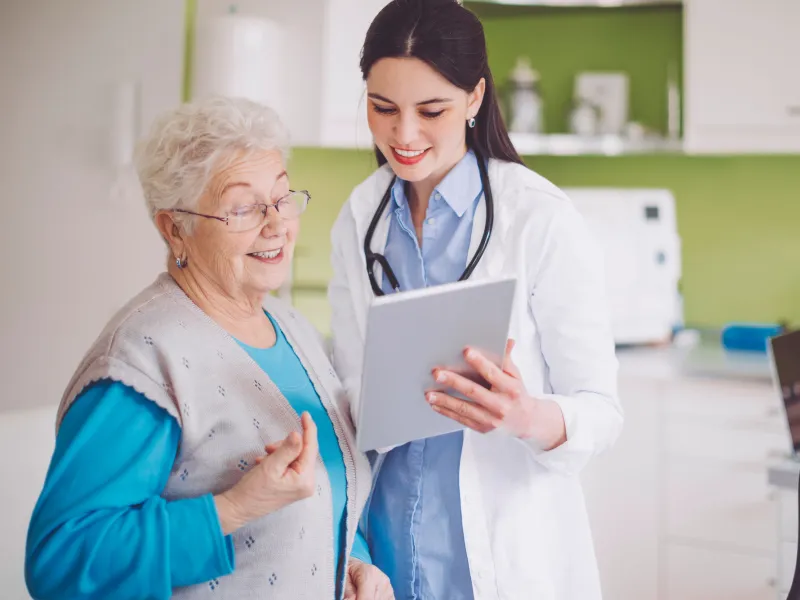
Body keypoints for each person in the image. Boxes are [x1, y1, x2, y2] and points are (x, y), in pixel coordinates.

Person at [25, 97, 393, 600]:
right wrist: (235, 508)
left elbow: (321, 504)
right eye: (242, 208)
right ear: (174, 228)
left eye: (282, 197)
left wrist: (352, 564)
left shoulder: (294, 328)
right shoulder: (142, 360)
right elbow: (61, 562)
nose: (276, 224)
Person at [327, 1, 623, 599]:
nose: (403, 135)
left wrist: (527, 416)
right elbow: (352, 391)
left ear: (475, 98)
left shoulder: (539, 219)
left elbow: (601, 410)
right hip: (384, 558)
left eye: (430, 110)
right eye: (383, 108)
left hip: (500, 564)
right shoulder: (359, 218)